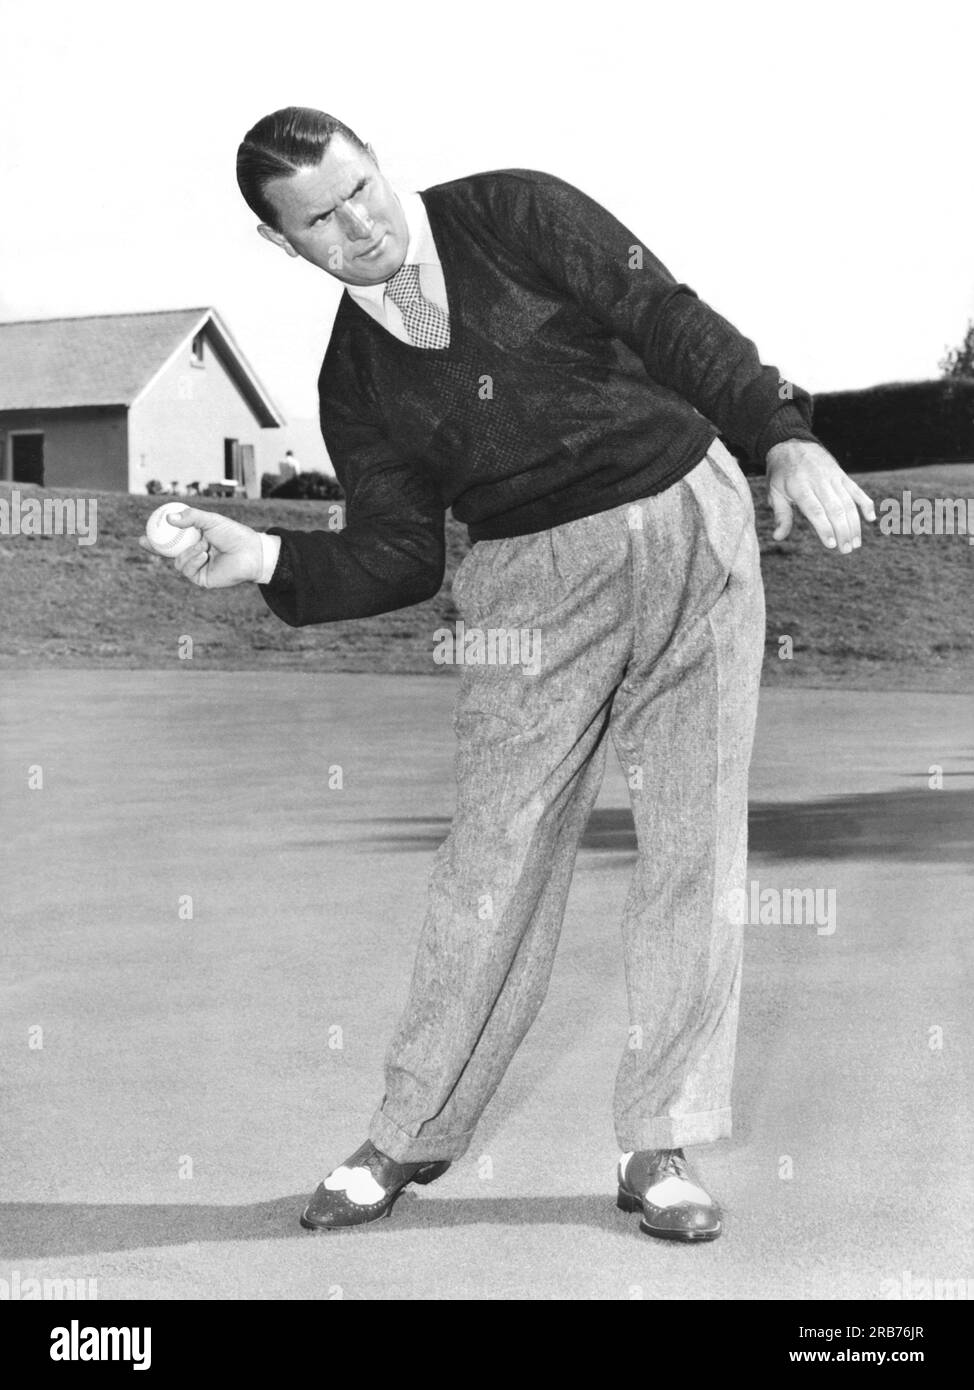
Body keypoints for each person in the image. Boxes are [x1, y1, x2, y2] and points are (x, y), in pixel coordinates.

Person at [143, 107, 875, 1242]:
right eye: (320, 225)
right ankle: (407, 1128)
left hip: (691, 522)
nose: (359, 228)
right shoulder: (354, 378)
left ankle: (657, 1144)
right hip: (530, 594)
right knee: (489, 860)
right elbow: (395, 549)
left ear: (381, 166)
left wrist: (777, 430)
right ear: (281, 245)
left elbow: (664, 317)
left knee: (692, 846)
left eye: (360, 193)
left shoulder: (514, 212)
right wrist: (268, 558)